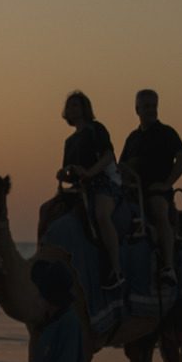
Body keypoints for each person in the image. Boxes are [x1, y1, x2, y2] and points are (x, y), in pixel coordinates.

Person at [119, 88, 182, 288]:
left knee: (159, 210)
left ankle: (168, 267)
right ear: (137, 109)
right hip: (132, 192)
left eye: (154, 106)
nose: (151, 110)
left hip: (157, 192)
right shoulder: (132, 138)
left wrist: (167, 183)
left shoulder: (166, 132)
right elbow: (121, 165)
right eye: (147, 106)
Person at [58, 91, 122, 287]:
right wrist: (64, 174)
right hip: (81, 188)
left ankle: (116, 270)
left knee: (101, 215)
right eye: (69, 106)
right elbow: (70, 173)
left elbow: (109, 156)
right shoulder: (69, 142)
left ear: (85, 108)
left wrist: (89, 172)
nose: (72, 109)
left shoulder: (96, 129)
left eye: (76, 105)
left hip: (104, 182)